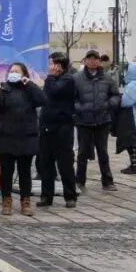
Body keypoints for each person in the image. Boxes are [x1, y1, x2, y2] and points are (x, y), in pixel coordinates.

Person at [0, 62, 46, 216]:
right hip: (7, 136)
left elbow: (42, 100)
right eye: (11, 71)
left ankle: (25, 202)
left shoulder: (29, 88)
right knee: (6, 171)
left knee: (25, 171)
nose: (13, 73)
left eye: (17, 71)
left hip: (26, 136)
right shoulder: (4, 88)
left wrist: (29, 84)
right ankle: (6, 201)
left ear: (24, 74)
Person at [73, 49, 121, 192]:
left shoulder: (107, 77)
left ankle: (107, 181)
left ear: (99, 61)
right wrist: (79, 108)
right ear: (85, 60)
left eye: (95, 58)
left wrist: (109, 104)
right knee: (82, 152)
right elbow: (71, 98)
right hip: (83, 120)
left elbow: (116, 95)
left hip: (102, 120)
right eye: (89, 58)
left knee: (103, 152)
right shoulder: (76, 78)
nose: (92, 61)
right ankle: (79, 180)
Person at [38, 53, 78, 208]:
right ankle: (46, 196)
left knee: (65, 164)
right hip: (47, 126)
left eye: (53, 64)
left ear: (60, 65)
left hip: (62, 127)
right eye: (49, 63)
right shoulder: (51, 80)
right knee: (46, 163)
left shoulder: (67, 79)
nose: (50, 67)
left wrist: (49, 77)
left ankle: (70, 195)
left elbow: (54, 91)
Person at [117, 60, 136, 175]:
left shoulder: (132, 85)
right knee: (132, 142)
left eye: (128, 71)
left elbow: (125, 102)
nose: (126, 73)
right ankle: (134, 165)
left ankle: (135, 166)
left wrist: (120, 98)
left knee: (131, 142)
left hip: (131, 118)